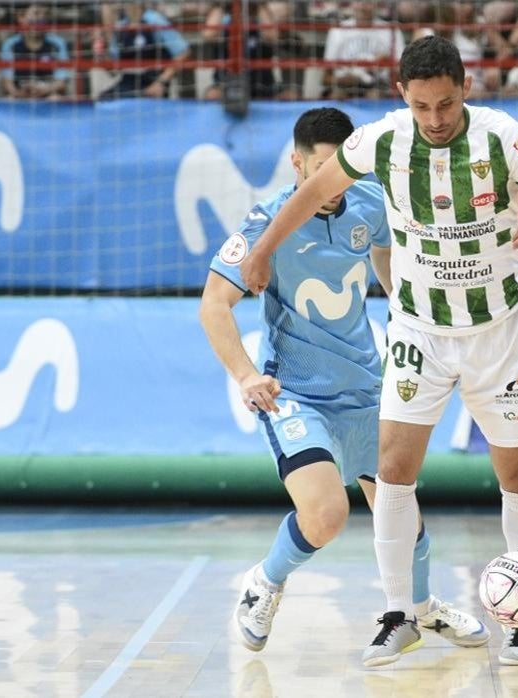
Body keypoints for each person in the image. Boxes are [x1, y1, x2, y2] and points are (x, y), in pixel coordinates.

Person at [238, 36, 518, 667]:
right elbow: (310, 194)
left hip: (497, 331)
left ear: (466, 88)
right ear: (403, 96)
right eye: (422, 106)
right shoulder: (380, 141)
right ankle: (400, 614)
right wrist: (261, 252)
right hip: (418, 332)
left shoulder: (505, 137)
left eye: (446, 104)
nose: (435, 119)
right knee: (392, 471)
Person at [199, 107, 489, 657]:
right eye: (323, 170)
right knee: (327, 514)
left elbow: (383, 243)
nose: (334, 185)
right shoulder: (269, 222)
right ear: (297, 163)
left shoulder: (368, 199)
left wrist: (407, 311)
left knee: (403, 515)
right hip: (297, 394)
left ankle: (421, 612)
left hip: (366, 386)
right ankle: (264, 582)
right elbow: (214, 305)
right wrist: (244, 374)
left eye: (344, 171)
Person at [96, 3, 189, 100]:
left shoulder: (154, 19)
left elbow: (183, 52)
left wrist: (161, 82)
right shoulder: (121, 25)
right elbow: (114, 70)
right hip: (127, 82)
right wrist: (101, 56)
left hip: (151, 81)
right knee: (103, 99)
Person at [0, 3, 71, 100]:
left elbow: (61, 82)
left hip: (48, 93)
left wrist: (45, 90)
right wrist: (18, 93)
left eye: (45, 14)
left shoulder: (57, 43)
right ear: (21, 18)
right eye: (37, 13)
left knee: (55, 98)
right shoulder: (10, 45)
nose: (41, 18)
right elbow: (7, 81)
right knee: (9, 99)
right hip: (21, 94)